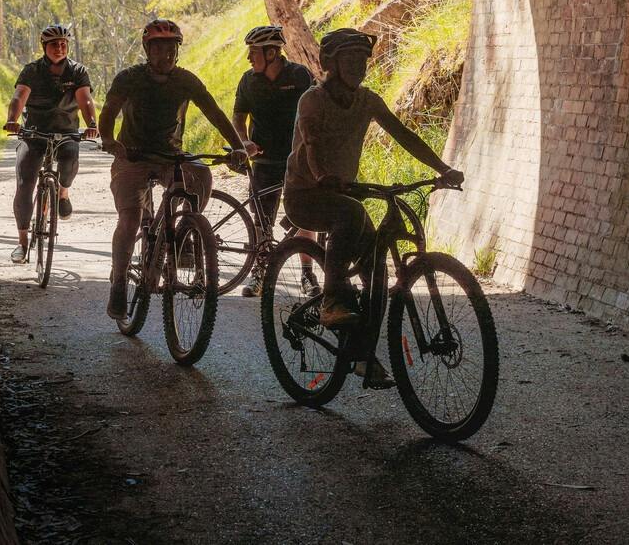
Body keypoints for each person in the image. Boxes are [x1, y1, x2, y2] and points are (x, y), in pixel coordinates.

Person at [282, 27, 461, 336]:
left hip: (343, 194)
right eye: (350, 59)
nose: (358, 68)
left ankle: (364, 354)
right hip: (304, 195)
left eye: (362, 60)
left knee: (376, 272)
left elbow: (404, 135)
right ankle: (331, 301)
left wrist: (443, 168)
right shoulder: (312, 100)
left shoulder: (367, 100)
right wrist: (321, 175)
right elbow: (310, 143)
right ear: (331, 64)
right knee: (350, 215)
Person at [98, 19, 258, 320]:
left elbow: (214, 113)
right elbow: (108, 113)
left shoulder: (186, 80)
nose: (166, 54)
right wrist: (109, 141)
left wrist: (237, 147)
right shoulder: (129, 78)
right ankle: (118, 279)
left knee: (201, 175)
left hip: (170, 154)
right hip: (132, 156)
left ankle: (184, 230)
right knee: (130, 218)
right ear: (148, 50)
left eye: (171, 47)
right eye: (158, 47)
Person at [230, 24, 314, 296]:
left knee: (304, 218)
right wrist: (244, 141)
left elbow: (315, 111)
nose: (248, 57)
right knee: (262, 221)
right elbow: (238, 117)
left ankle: (308, 274)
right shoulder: (248, 81)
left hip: (296, 162)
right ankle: (260, 270)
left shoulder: (300, 76)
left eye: (253, 52)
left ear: (272, 53)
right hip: (264, 163)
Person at [3, 23, 97, 264]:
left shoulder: (77, 71)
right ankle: (22, 243)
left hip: (66, 131)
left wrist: (92, 124)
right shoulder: (32, 71)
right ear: (44, 47)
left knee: (69, 160)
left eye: (63, 44)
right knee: (25, 184)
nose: (59, 48)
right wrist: (12, 120)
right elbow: (19, 96)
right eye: (54, 44)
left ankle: (63, 194)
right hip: (34, 132)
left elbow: (85, 100)